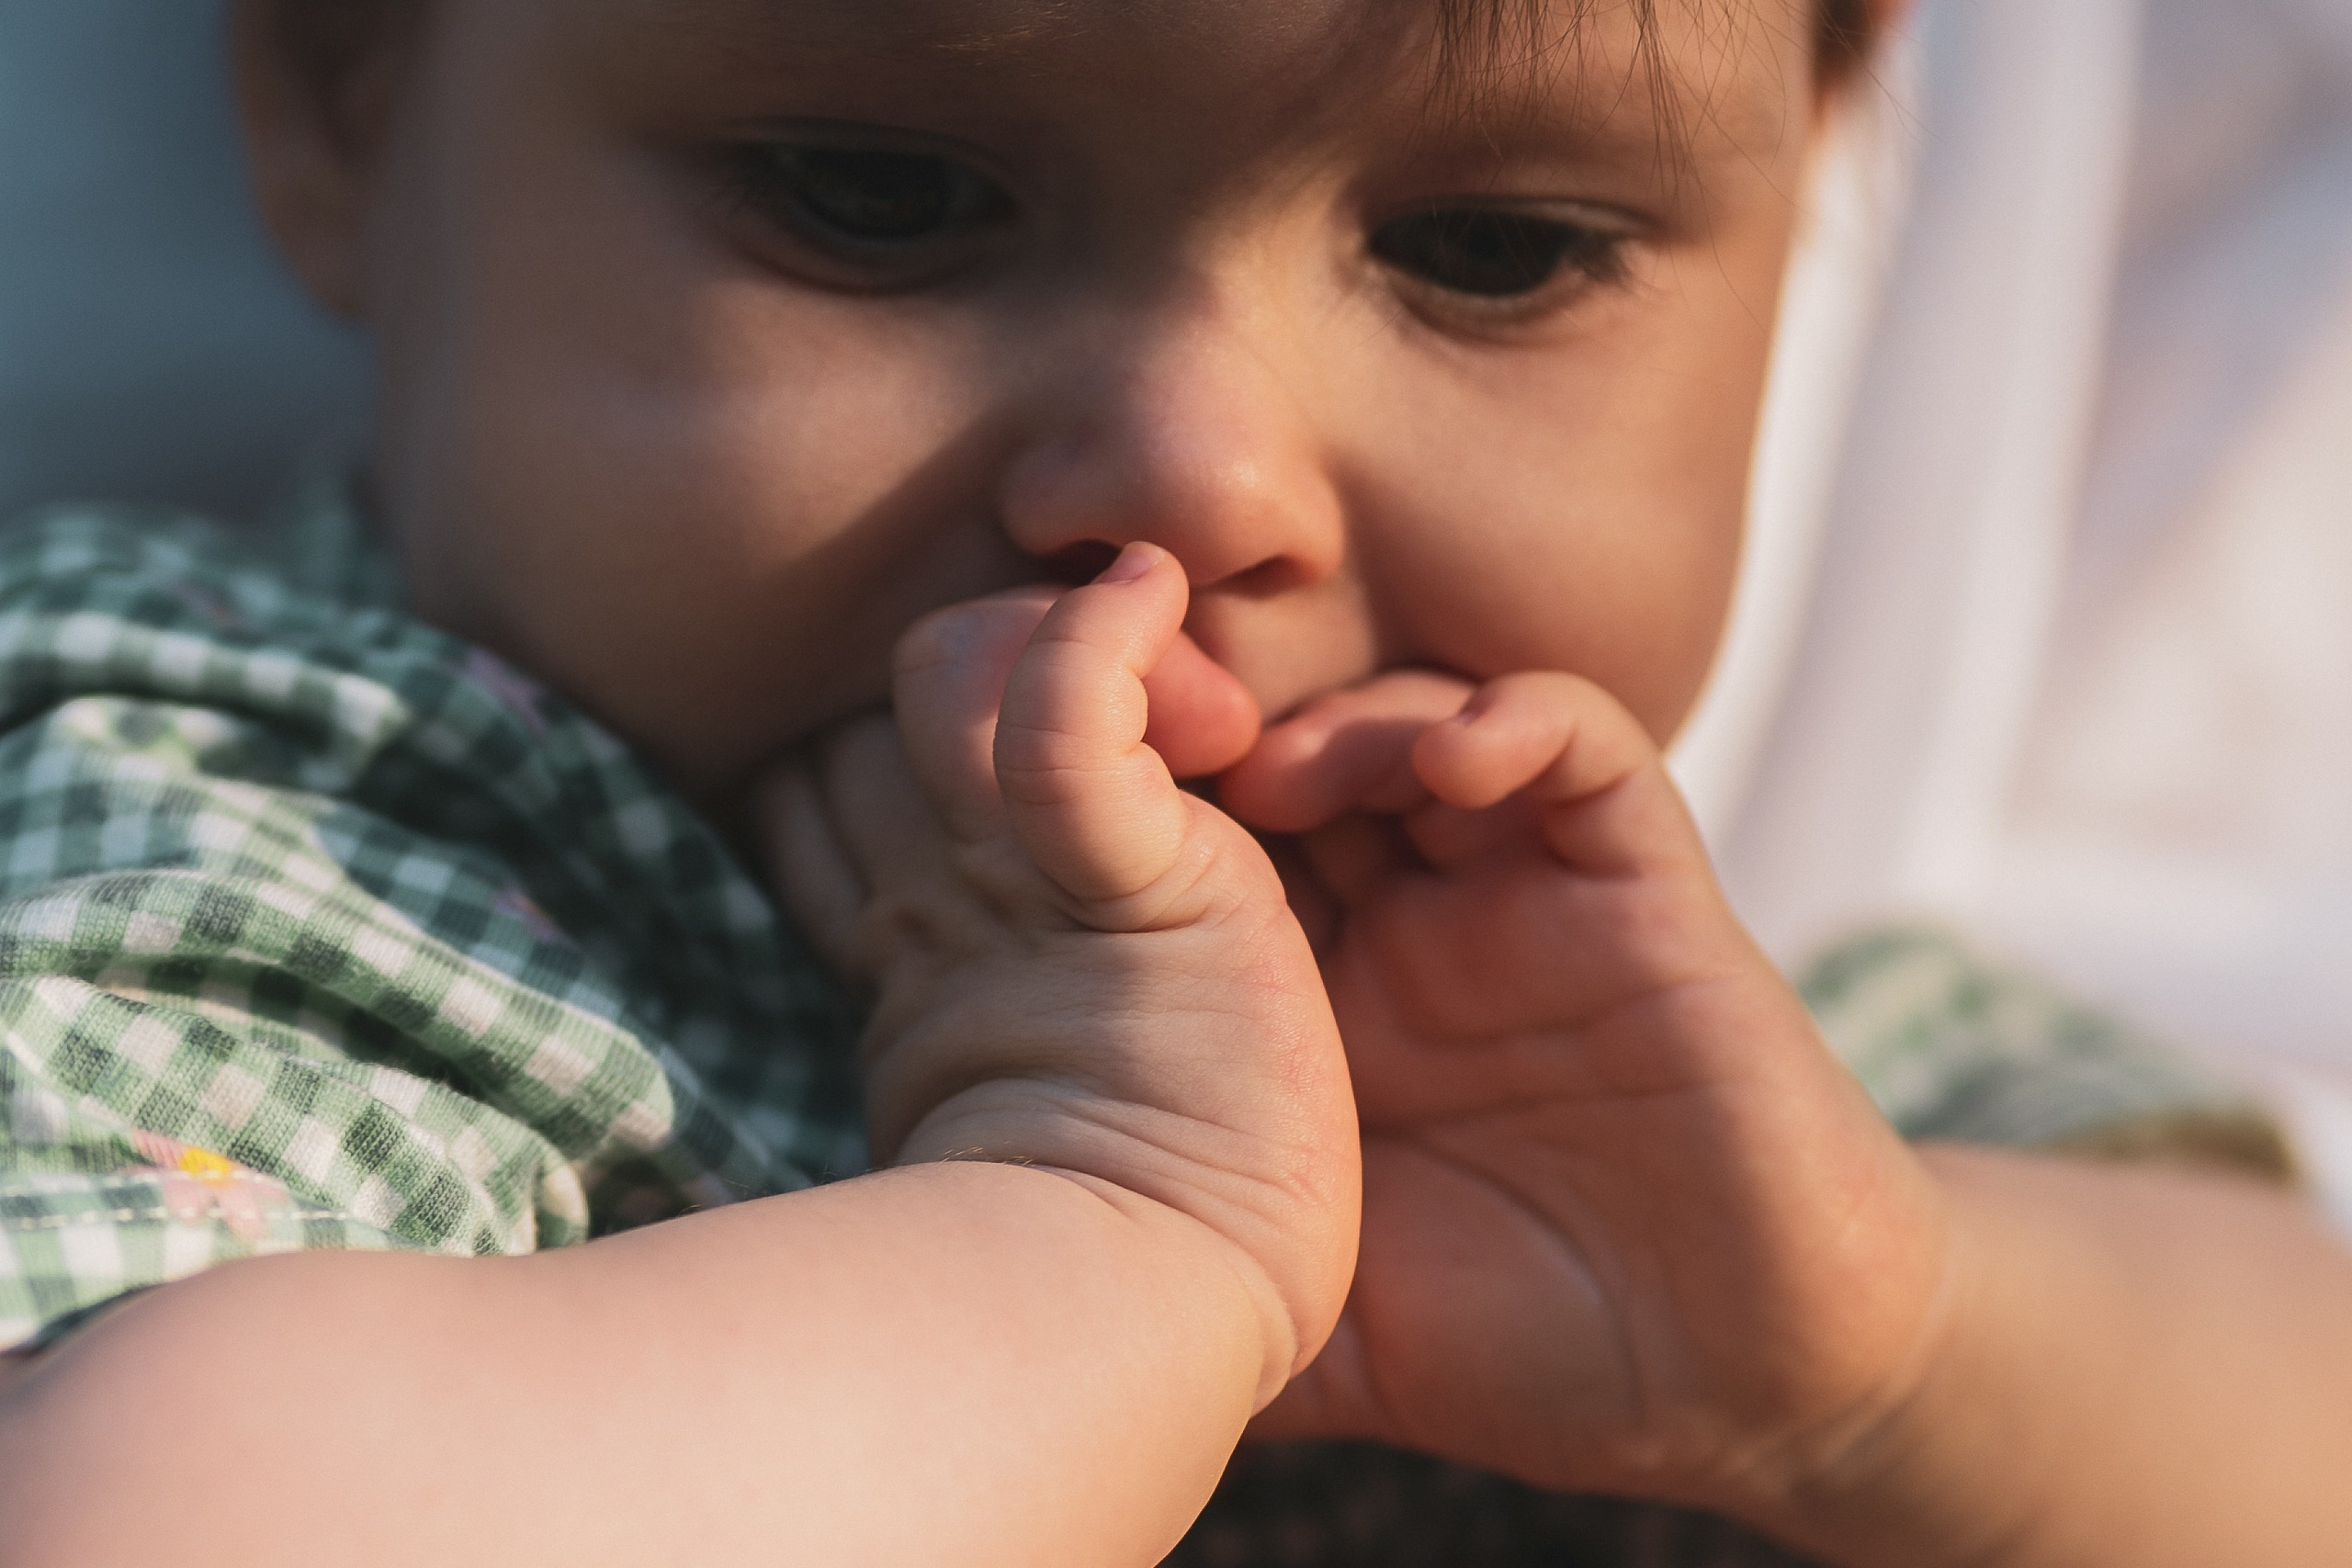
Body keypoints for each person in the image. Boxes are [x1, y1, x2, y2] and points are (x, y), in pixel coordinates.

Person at [0, 1, 2346, 1563]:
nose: (1200, 473)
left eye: (1489, 247)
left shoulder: (1612, 1017)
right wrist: (1110, 1241)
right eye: (880, 195)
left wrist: (1879, 1345)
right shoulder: (249, 817)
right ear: (341, 99)